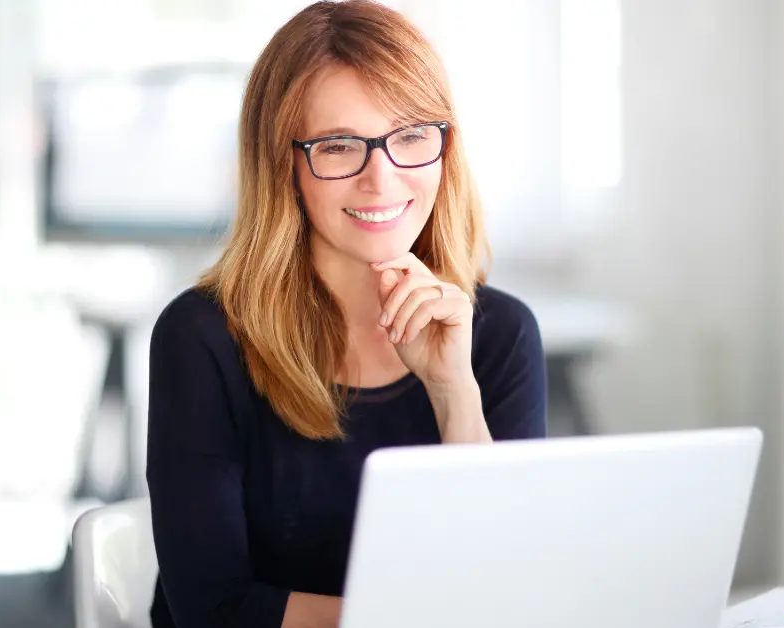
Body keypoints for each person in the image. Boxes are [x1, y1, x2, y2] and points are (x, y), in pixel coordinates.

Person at [145, 1, 547, 626]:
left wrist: (453, 391)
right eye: (338, 147)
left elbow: (509, 590)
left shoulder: (499, 334)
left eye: (411, 136)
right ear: (285, 166)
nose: (381, 180)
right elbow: (213, 610)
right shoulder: (202, 339)